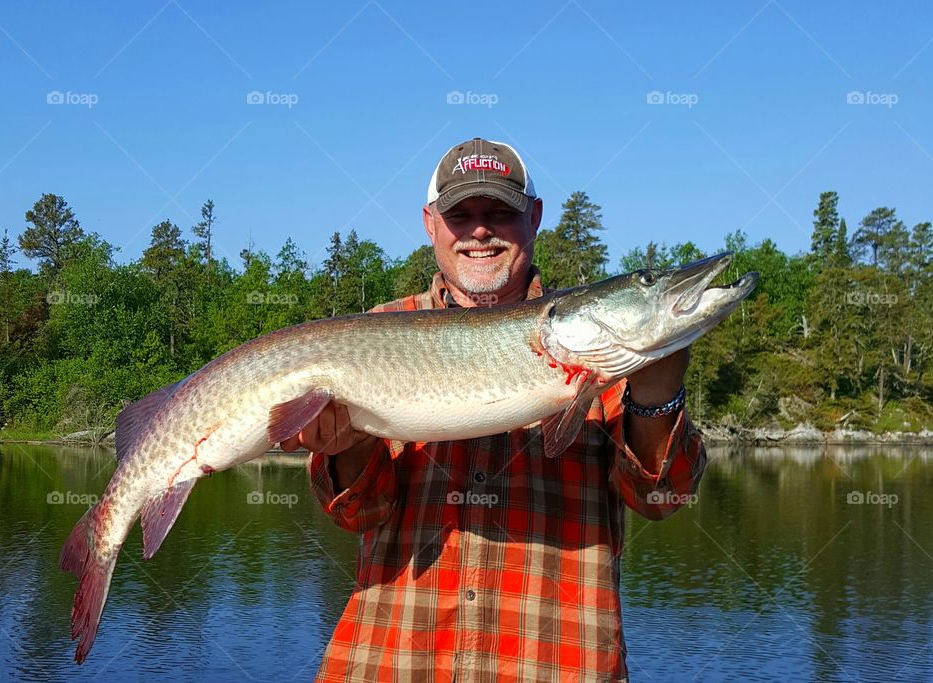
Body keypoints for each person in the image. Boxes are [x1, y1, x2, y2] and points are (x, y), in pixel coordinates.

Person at [281, 138, 706, 682]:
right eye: (462, 214)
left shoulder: (594, 342)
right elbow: (356, 516)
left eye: (500, 212)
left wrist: (659, 390)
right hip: (391, 663)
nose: (480, 230)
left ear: (534, 217)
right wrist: (349, 444)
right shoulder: (375, 333)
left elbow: (661, 498)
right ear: (431, 224)